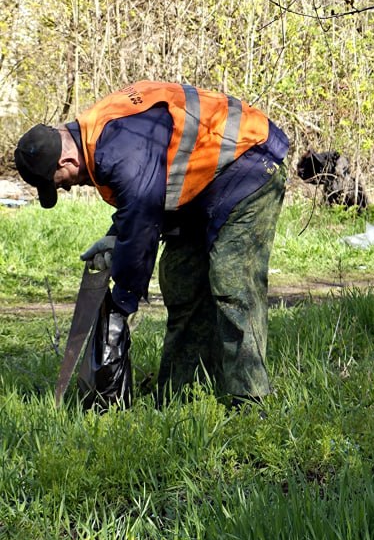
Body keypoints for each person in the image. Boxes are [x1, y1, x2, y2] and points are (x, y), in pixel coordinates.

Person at [14, 81, 290, 407]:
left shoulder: (116, 151)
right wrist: (116, 236)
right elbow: (145, 193)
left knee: (233, 284)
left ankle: (250, 401)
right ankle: (181, 397)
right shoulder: (97, 134)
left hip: (250, 164)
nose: (68, 189)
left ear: (65, 164)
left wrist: (122, 305)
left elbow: (142, 214)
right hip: (204, 186)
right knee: (181, 280)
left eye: (60, 184)